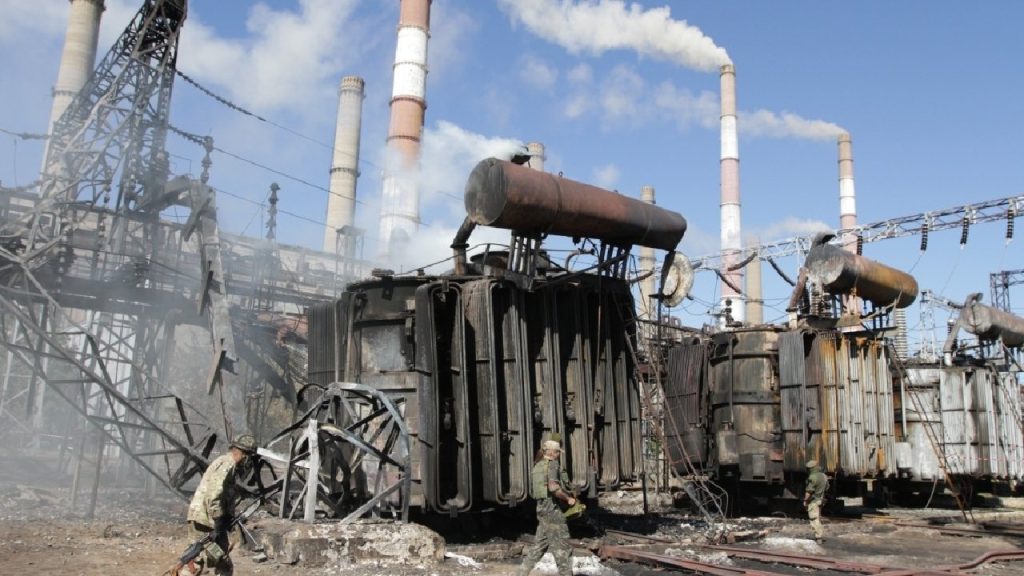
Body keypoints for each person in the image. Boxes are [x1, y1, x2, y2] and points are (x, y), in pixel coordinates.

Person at [181, 434, 257, 576]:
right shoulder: (228, 464)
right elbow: (215, 494)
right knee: (198, 560)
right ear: (244, 455)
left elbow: (224, 495)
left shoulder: (227, 463)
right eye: (250, 457)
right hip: (205, 521)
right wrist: (219, 520)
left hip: (207, 520)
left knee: (220, 559)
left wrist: (227, 516)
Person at [515, 439, 575, 576]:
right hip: (553, 511)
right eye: (558, 452)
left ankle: (520, 573)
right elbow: (554, 487)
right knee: (563, 548)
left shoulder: (537, 466)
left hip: (542, 509)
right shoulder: (553, 465)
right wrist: (568, 498)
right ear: (552, 452)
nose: (559, 455)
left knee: (538, 548)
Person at [803, 459, 829, 544]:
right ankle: (819, 536)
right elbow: (827, 487)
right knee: (818, 517)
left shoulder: (812, 477)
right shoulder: (824, 476)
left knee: (814, 519)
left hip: (814, 501)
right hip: (821, 500)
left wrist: (805, 501)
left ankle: (819, 537)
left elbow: (809, 491)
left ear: (811, 468)